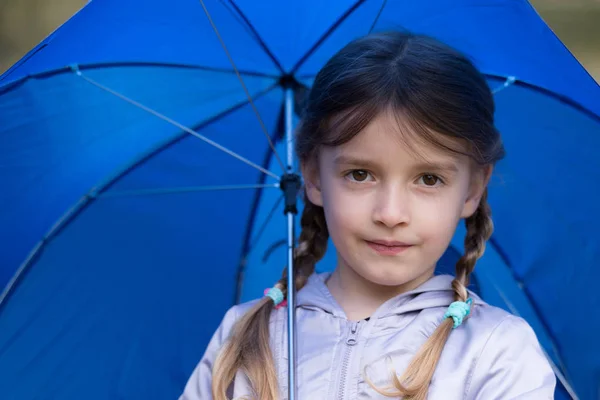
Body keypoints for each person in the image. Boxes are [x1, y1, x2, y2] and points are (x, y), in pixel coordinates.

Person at [179, 31, 556, 400]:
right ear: (312, 175)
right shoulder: (244, 337)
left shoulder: (496, 353)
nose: (391, 214)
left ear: (473, 188)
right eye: (360, 174)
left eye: (429, 179)